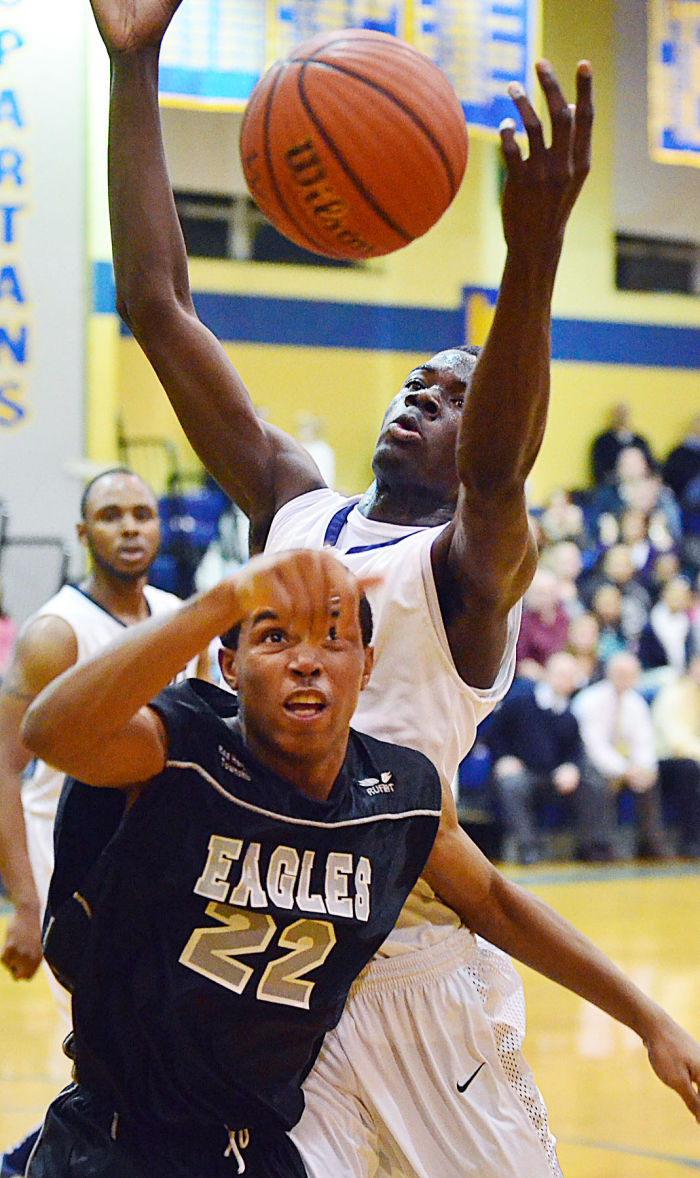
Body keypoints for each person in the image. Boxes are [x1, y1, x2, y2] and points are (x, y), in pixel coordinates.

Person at [88, 2, 700, 1173]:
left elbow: (500, 467)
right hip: (276, 967)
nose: (423, 392)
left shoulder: (469, 572)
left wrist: (530, 255)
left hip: (423, 973)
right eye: (417, 379)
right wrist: (135, 66)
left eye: (455, 390)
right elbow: (159, 309)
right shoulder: (295, 502)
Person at [20, 547, 700, 1177]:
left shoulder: (398, 797)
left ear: (368, 666)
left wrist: (651, 1020)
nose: (306, 661)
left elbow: (495, 903)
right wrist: (221, 600)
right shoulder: (181, 751)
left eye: (333, 638)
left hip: (255, 1143)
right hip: (114, 1139)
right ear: (229, 666)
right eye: (274, 636)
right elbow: (51, 730)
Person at [0, 468, 208, 1178]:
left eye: (142, 514)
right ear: (85, 534)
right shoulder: (56, 633)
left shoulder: (184, 618)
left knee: (153, 1054)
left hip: (170, 867)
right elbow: (4, 766)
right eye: (111, 515)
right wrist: (27, 905)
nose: (130, 527)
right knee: (115, 1052)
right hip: (80, 874)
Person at [483, 651, 615, 864]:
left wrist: (571, 767)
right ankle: (528, 848)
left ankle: (594, 847)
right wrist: (504, 758)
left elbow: (575, 749)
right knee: (512, 785)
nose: (565, 680)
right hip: (522, 771)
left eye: (570, 676)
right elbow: (494, 735)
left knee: (594, 784)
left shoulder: (569, 712)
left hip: (554, 776)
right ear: (547, 674)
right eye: (560, 674)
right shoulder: (520, 701)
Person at [570, 652, 671, 860]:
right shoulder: (590, 700)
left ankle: (650, 843)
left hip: (626, 764)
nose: (625, 678)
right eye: (620, 673)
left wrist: (644, 768)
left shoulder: (636, 703)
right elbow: (593, 746)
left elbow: (644, 742)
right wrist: (625, 769)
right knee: (596, 783)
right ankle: (599, 847)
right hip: (590, 761)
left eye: (630, 674)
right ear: (609, 673)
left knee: (650, 780)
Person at [651, 653, 700, 858]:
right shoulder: (674, 695)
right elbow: (677, 743)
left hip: (693, 758)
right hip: (666, 761)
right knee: (689, 769)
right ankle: (691, 841)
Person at [589, 402, 654, 487]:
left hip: (640, 486)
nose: (622, 418)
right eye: (619, 414)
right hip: (612, 487)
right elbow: (598, 471)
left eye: (624, 414)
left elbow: (651, 466)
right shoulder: (602, 442)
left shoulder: (639, 441)